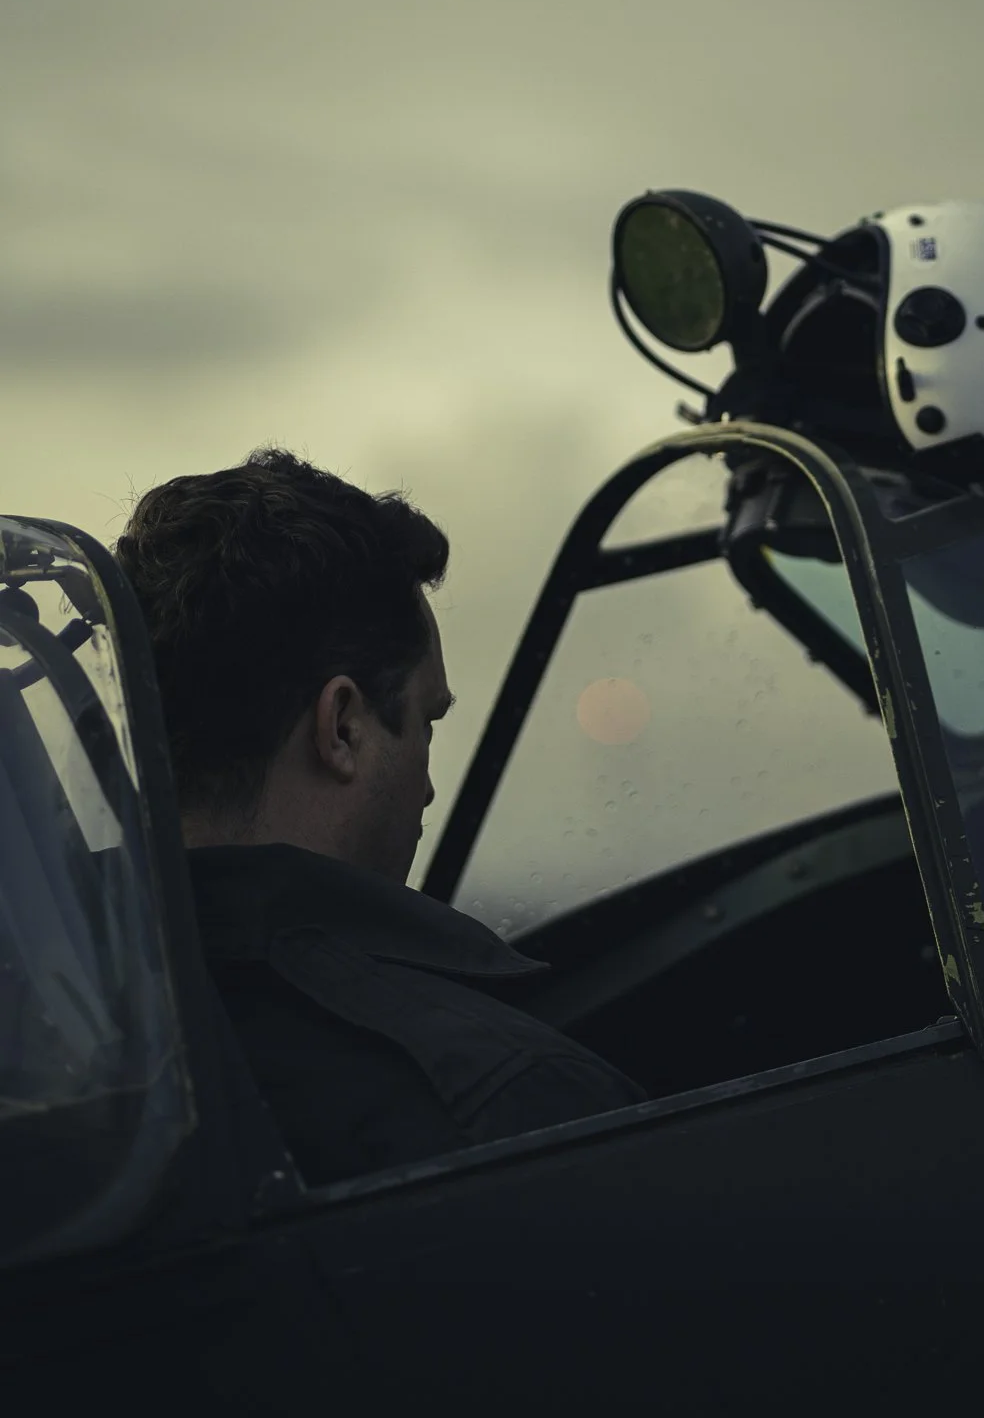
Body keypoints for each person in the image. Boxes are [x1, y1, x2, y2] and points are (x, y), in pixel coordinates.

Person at [115, 448, 644, 1185]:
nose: (427, 789)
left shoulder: (64, 1051)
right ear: (342, 727)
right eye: (427, 722)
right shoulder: (516, 1105)